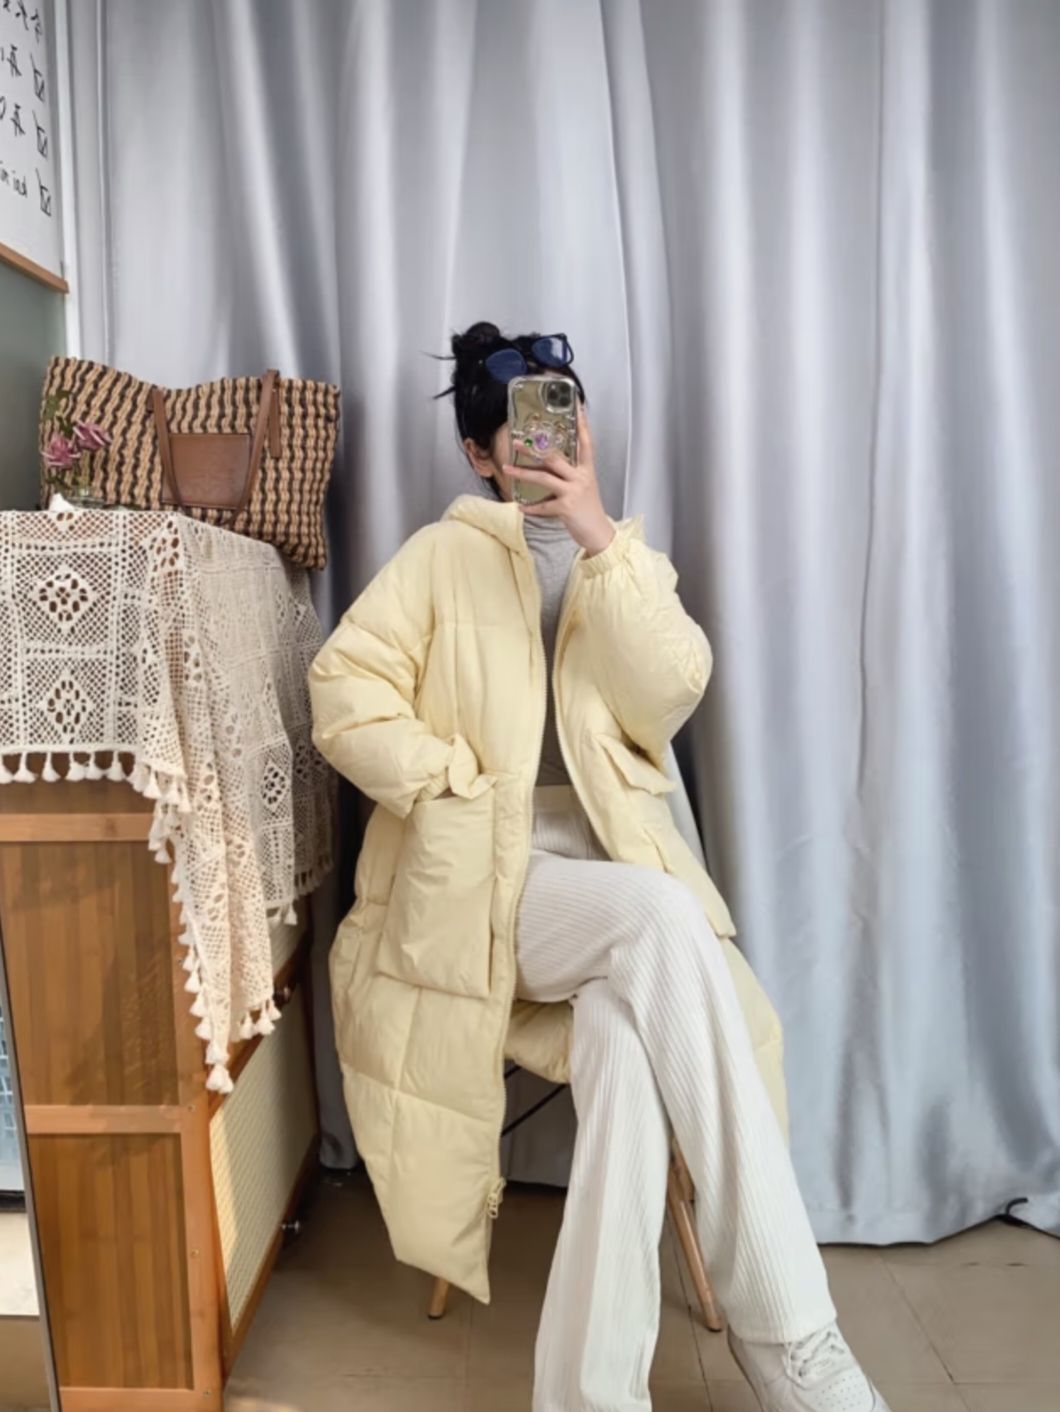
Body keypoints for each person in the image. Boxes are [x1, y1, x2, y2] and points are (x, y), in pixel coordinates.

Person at [309, 322, 890, 1412]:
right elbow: (341, 691)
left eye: (566, 416)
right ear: (481, 454)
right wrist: (454, 787)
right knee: (666, 919)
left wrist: (597, 539)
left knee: (626, 1041)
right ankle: (795, 1342)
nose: (555, 439)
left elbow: (670, 692)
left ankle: (587, 1393)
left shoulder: (623, 560)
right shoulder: (438, 558)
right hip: (486, 881)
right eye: (525, 430)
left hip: (605, 869)